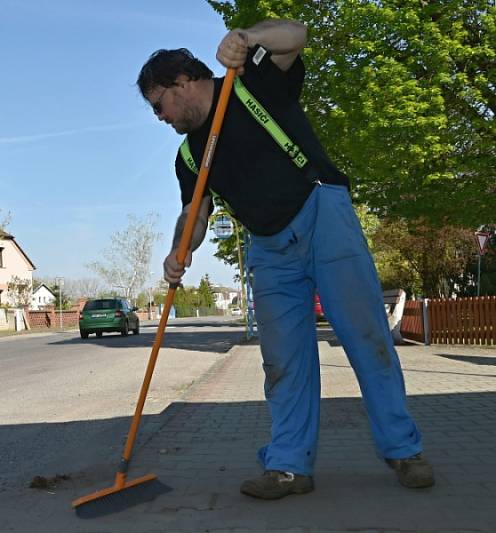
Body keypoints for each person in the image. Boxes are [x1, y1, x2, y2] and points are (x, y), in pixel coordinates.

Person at [136, 19, 434, 500]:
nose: (160, 117)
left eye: (159, 105)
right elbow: (196, 209)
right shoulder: (189, 155)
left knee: (365, 338)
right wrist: (180, 251)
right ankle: (290, 466)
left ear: (182, 83)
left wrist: (246, 38)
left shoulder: (250, 82)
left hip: (322, 215)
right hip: (269, 249)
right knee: (283, 362)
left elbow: (295, 34)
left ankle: (403, 451)